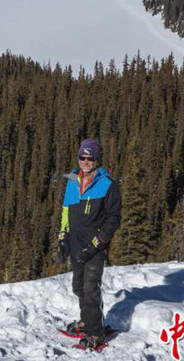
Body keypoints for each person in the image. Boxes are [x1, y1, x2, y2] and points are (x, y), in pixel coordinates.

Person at [57, 138, 121, 351]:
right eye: (82, 157)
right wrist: (62, 236)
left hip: (95, 245)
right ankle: (87, 321)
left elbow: (113, 218)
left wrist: (99, 242)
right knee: (78, 287)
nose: (85, 161)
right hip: (75, 243)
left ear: (97, 159)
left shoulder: (108, 184)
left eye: (90, 157)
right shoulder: (73, 181)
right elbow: (66, 210)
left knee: (90, 288)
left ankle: (95, 333)